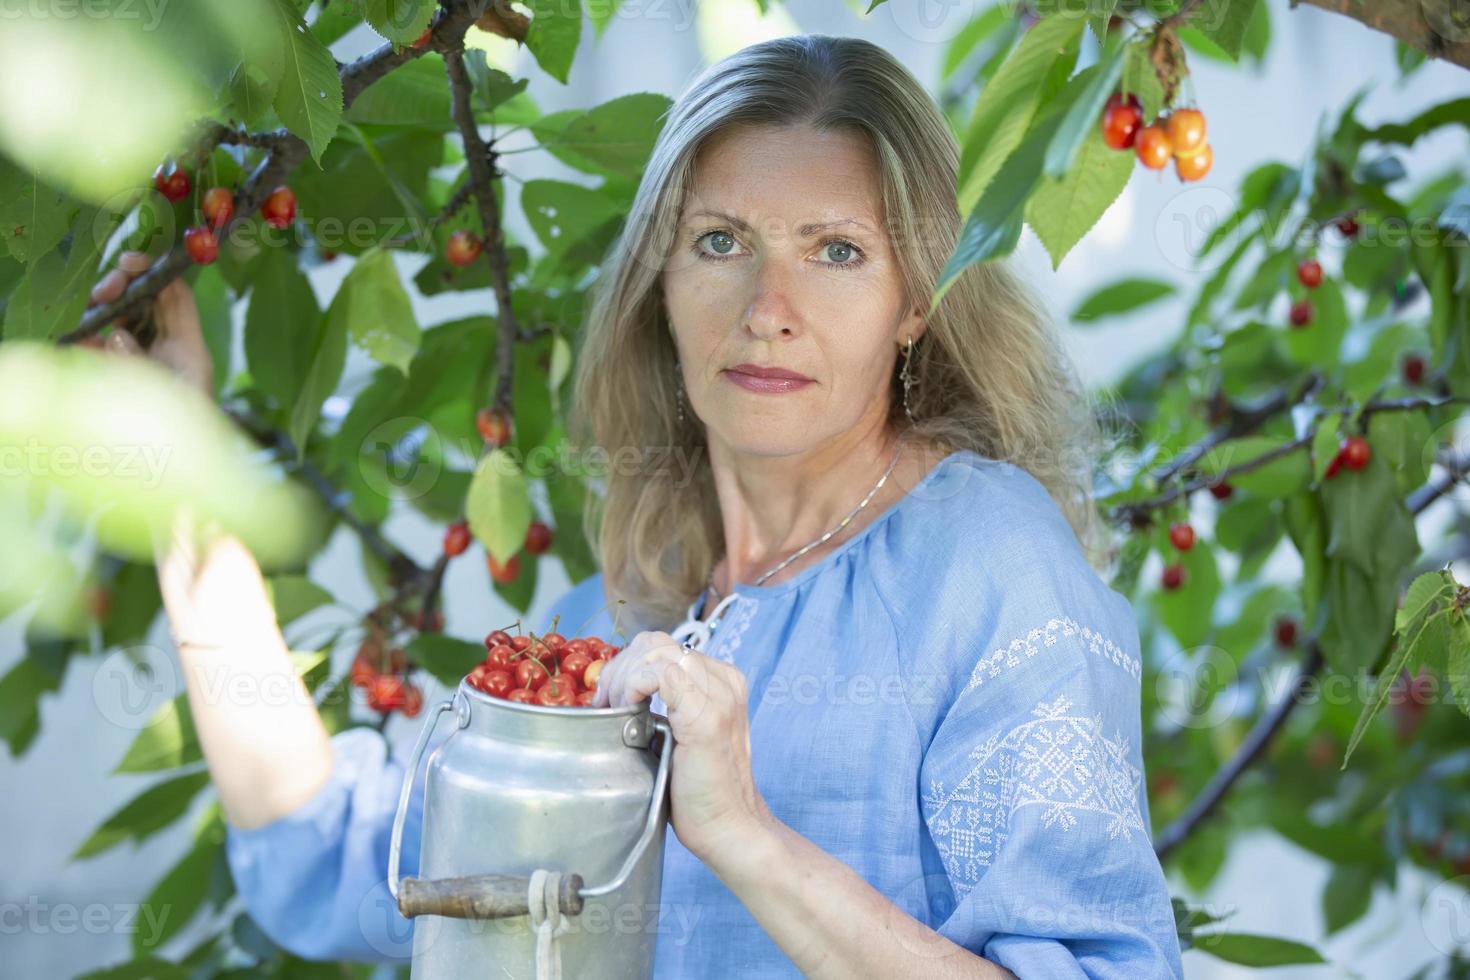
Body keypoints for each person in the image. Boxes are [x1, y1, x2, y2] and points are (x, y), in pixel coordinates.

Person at [91, 32, 1184, 979]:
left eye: (837, 251)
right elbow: (336, 862)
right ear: (658, 282)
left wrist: (745, 836)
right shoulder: (614, 621)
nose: (768, 310)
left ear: (917, 302)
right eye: (721, 242)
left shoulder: (985, 564)